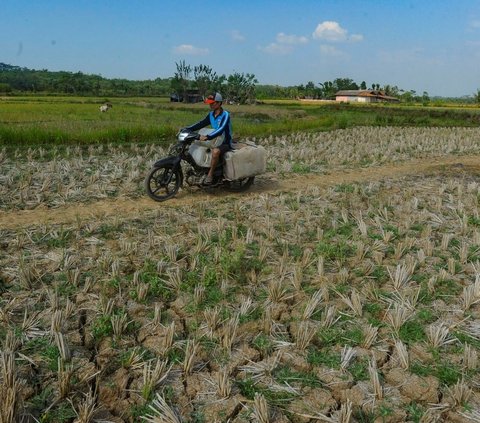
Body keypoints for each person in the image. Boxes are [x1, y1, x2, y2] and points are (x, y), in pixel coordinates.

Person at [184, 92, 232, 185]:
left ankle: (210, 174)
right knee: (196, 146)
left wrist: (207, 137)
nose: (210, 105)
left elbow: (221, 129)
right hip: (214, 140)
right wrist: (187, 128)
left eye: (212, 103)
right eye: (210, 103)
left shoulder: (225, 115)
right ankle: (200, 170)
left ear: (219, 103)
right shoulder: (211, 115)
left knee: (215, 152)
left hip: (224, 142)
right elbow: (201, 123)